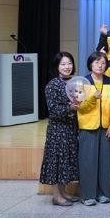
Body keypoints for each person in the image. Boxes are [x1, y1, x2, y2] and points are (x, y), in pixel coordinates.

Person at [40, 52, 80, 206]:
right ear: (57, 67)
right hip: (58, 130)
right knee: (57, 162)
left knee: (66, 161)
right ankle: (56, 196)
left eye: (69, 63)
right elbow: (53, 110)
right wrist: (70, 108)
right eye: (63, 64)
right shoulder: (52, 85)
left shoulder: (75, 83)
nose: (67, 67)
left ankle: (63, 192)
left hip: (71, 129)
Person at [77, 52, 110, 206]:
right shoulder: (83, 83)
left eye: (103, 63)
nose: (100, 65)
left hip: (106, 127)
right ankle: (87, 195)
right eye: (97, 62)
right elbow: (80, 107)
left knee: (106, 163)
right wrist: (93, 98)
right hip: (88, 127)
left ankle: (104, 193)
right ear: (90, 64)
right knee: (88, 162)